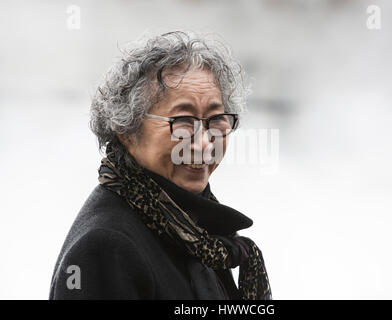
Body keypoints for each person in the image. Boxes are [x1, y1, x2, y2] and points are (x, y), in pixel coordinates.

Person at [49, 31, 271, 300]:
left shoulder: (198, 234)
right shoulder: (106, 249)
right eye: (182, 122)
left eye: (216, 119)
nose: (203, 144)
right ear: (127, 130)